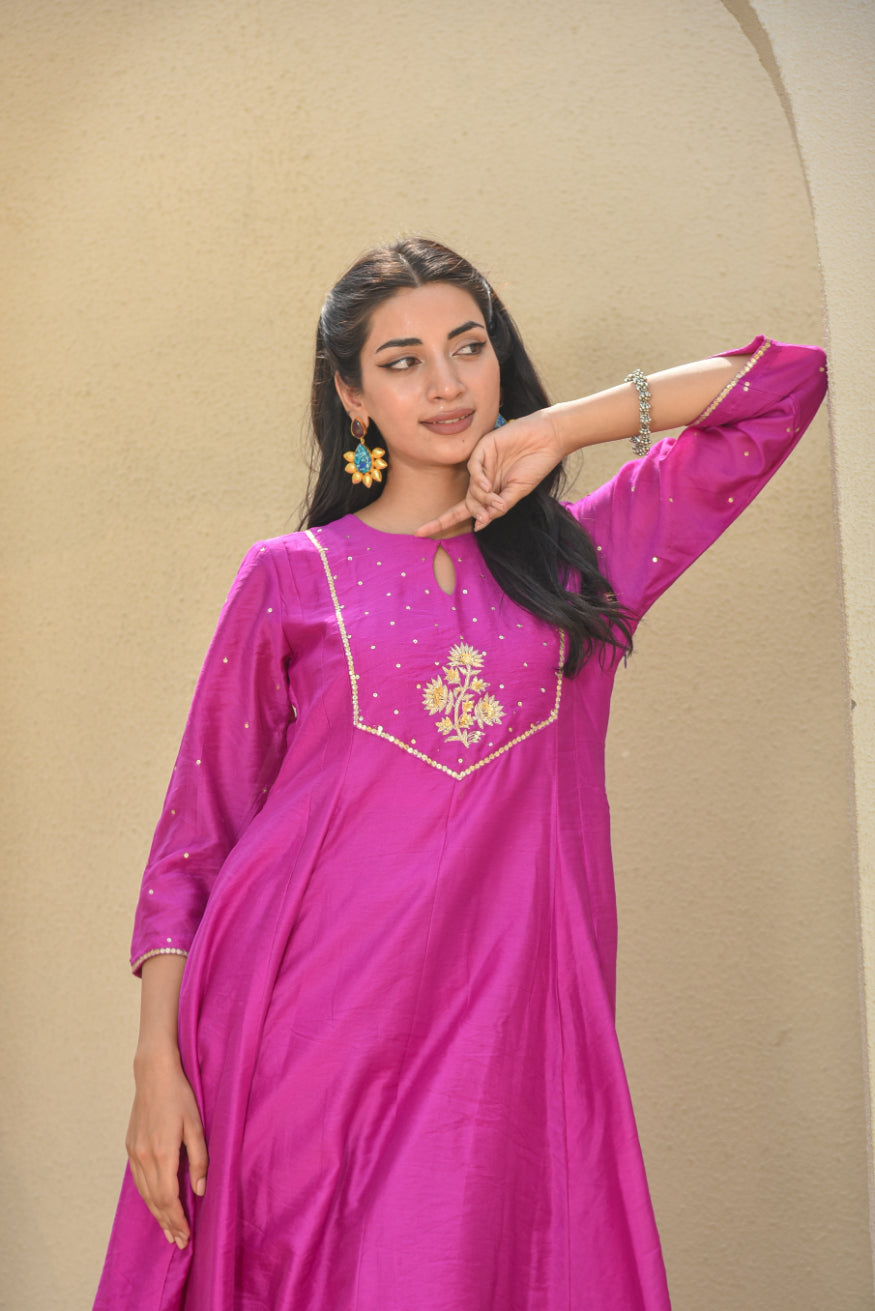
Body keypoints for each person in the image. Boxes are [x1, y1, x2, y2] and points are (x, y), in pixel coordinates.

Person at [94, 237, 828, 1310]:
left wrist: (556, 426)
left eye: (467, 347)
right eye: (399, 361)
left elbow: (785, 385)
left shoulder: (585, 561)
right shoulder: (289, 580)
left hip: (502, 1051)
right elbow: (194, 843)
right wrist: (157, 1068)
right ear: (350, 396)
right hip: (300, 1038)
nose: (443, 384)